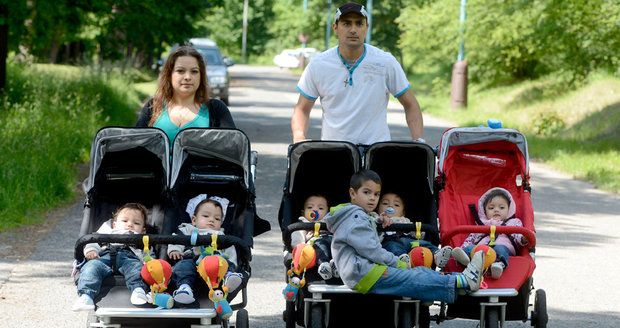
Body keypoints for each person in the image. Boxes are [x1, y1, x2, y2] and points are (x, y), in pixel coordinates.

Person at [324, 170, 485, 303]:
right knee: (410, 278)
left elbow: (363, 233)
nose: (372, 198)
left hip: (364, 269)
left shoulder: (353, 215)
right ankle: (463, 282)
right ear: (352, 193)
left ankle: (458, 281)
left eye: (376, 194)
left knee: (417, 271)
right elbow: (371, 250)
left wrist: (376, 220)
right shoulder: (356, 219)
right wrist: (397, 263)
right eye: (367, 192)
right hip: (363, 272)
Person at [291, 2, 424, 145]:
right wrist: (299, 138)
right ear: (335, 28)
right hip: (333, 151)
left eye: (359, 24)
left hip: (376, 152)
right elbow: (302, 109)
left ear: (366, 28)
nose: (353, 29)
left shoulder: (385, 62)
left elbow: (411, 105)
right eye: (347, 24)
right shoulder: (318, 65)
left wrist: (418, 141)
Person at [136, 45, 235, 144]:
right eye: (180, 71)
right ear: (169, 75)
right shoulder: (153, 106)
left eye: (194, 71)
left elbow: (233, 149)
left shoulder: (216, 109)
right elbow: (135, 147)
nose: (188, 77)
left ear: (201, 76)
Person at [72, 203, 151, 311]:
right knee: (91, 267)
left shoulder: (141, 239)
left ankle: (138, 290)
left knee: (136, 268)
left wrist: (149, 263)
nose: (130, 225)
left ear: (143, 230)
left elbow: (147, 254)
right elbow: (92, 241)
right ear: (114, 224)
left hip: (129, 257)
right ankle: (86, 296)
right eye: (124, 221)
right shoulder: (107, 231)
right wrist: (91, 250)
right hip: (104, 255)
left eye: (136, 223)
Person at [167, 194, 243, 304]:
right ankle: (184, 288)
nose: (211, 220)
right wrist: (175, 250)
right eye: (206, 216)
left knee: (225, 262)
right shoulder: (188, 230)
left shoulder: (221, 235)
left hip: (215, 268)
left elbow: (230, 252)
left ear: (221, 223)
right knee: (182, 266)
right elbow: (177, 240)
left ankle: (229, 277)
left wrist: (232, 265)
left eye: (217, 218)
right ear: (194, 220)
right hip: (193, 262)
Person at [451, 187, 528, 279]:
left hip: (502, 248)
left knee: (500, 249)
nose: (496, 210)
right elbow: (471, 238)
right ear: (484, 211)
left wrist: (523, 238)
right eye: (491, 208)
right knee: (470, 248)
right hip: (481, 251)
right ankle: (464, 257)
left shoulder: (514, 223)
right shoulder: (481, 225)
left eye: (501, 207)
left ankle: (499, 265)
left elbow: (518, 235)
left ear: (509, 209)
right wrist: (463, 248)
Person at [377, 192, 453, 268]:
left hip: (410, 242)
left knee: (424, 243)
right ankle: (402, 262)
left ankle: (436, 254)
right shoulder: (377, 218)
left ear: (403, 213)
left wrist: (420, 232)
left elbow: (415, 232)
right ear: (378, 208)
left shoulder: (404, 220)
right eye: (385, 203)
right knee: (392, 247)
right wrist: (381, 220)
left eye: (396, 205)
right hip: (390, 241)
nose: (390, 206)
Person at [290, 194, 338, 280]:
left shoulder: (331, 223)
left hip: (333, 243)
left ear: (327, 213)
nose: (315, 209)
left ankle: (337, 265)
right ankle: (324, 265)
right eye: (309, 207)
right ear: (303, 212)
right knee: (320, 244)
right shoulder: (303, 224)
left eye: (320, 208)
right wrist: (301, 246)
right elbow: (297, 237)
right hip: (316, 246)